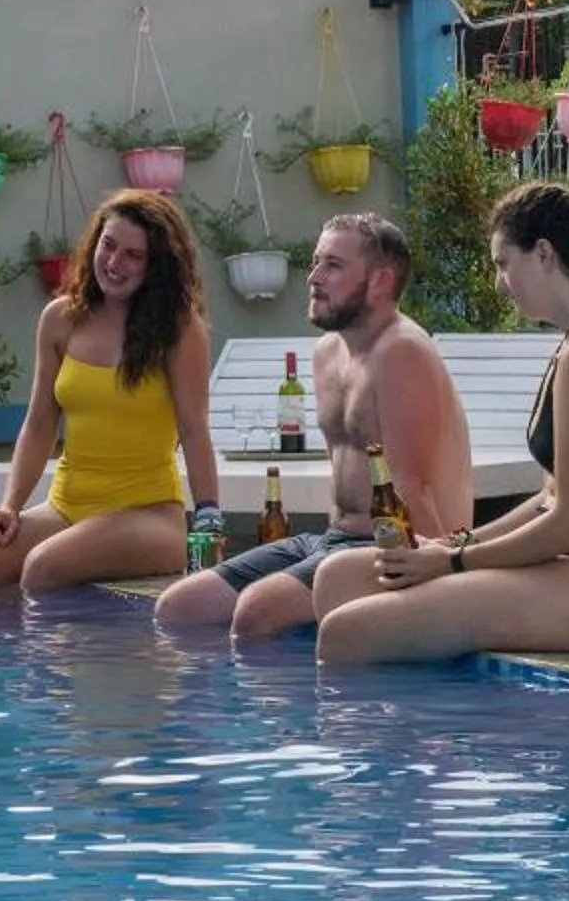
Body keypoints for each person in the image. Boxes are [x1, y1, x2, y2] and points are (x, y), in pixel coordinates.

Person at [313, 181, 569, 663]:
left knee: (346, 634)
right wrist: (454, 543)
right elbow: (550, 499)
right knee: (339, 579)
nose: (500, 283)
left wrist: (453, 560)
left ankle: (422, 739)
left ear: (543, 254)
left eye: (504, 264)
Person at [152, 212, 468, 640]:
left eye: (333, 266)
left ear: (379, 281)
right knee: (179, 607)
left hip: (392, 549)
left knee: (255, 612)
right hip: (329, 539)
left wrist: (438, 589)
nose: (314, 277)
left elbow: (415, 488)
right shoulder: (326, 354)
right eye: (316, 262)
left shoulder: (402, 353)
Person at [0, 189, 220, 597]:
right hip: (67, 508)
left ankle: (67, 658)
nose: (114, 262)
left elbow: (194, 429)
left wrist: (209, 519)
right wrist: (9, 507)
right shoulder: (59, 319)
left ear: (156, 266)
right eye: (108, 246)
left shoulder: (179, 329)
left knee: (43, 567)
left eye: (133, 255)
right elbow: (39, 424)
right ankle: (22, 660)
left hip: (148, 515)